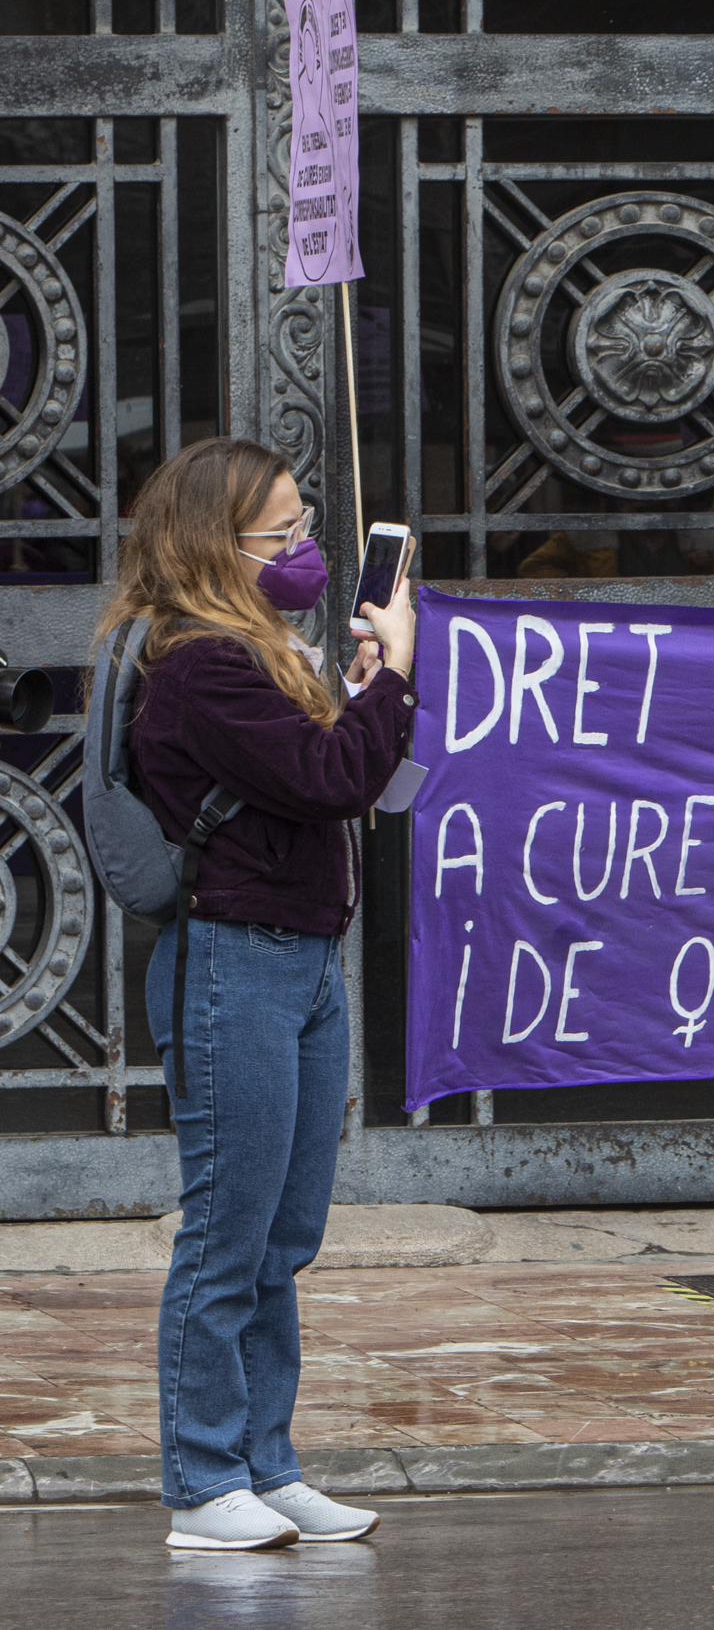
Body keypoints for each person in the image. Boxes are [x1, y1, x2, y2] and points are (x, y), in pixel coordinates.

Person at [105, 438, 419, 1548]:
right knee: (225, 1233)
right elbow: (331, 775)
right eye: (279, 535)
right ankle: (201, 1482)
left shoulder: (268, 647)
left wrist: (369, 688)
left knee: (283, 1234)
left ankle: (264, 1461)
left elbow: (350, 775)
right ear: (212, 548)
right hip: (230, 962)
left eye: (303, 525)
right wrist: (402, 675)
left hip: (301, 963)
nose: (303, 550)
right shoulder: (198, 665)